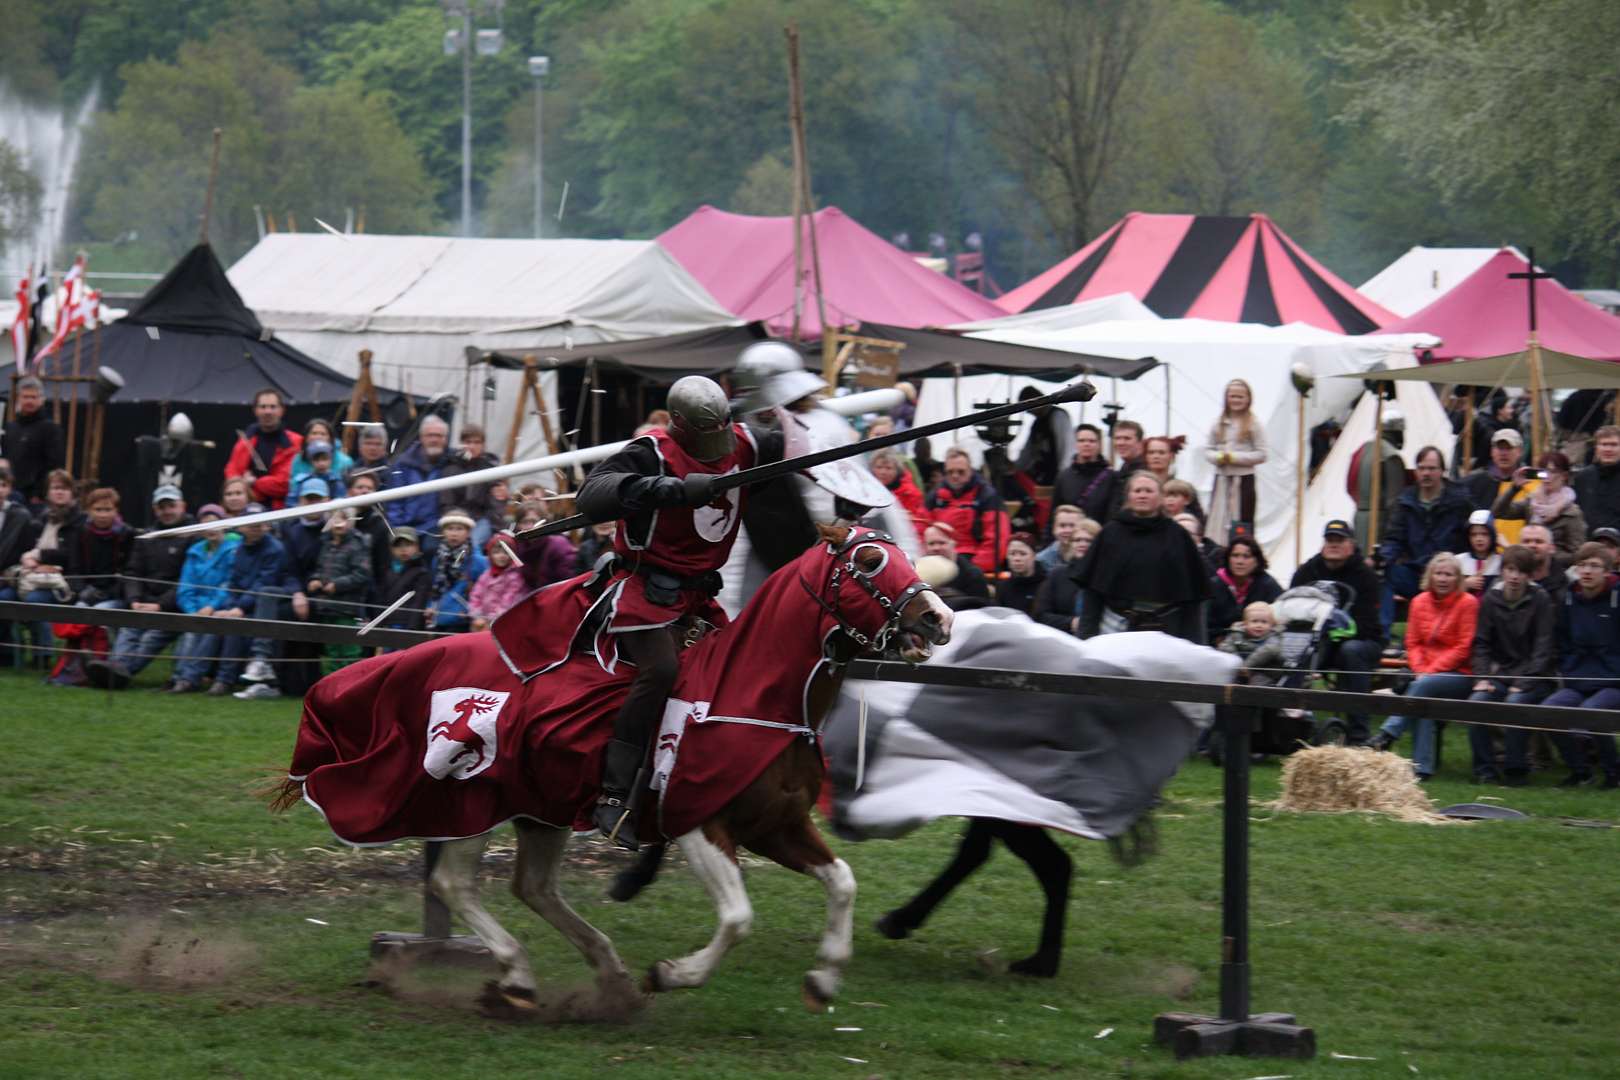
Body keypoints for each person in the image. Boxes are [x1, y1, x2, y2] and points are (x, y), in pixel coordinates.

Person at [555, 375, 783, 848]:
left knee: (729, 675)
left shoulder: (744, 443)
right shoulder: (650, 450)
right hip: (644, 587)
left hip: (701, 594)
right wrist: (670, 489)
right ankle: (614, 796)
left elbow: (793, 448)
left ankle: (704, 782)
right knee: (660, 671)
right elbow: (591, 496)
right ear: (678, 423)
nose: (715, 441)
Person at [1368, 553, 1479, 780]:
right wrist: (1420, 669)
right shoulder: (1419, 602)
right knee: (1423, 700)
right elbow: (1412, 642)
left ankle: (1388, 734)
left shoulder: (1468, 603)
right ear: (1430, 576)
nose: (1443, 578)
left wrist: (1430, 671)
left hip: (1460, 674)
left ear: (1458, 578)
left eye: (1448, 574)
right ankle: (1421, 769)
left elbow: (1463, 648)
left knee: (1424, 687)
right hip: (1423, 676)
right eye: (1438, 573)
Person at [1072, 472, 1211, 643]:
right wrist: (1086, 639)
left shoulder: (1178, 536)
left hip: (1167, 632)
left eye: (1149, 491)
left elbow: (1193, 599)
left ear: (1160, 497)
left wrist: (1196, 646)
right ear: (1128, 496)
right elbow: (1093, 594)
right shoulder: (1111, 533)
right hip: (1116, 627)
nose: (1143, 495)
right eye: (1137, 491)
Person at [88, 485, 195, 689]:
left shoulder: (193, 536)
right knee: (129, 629)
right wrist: (135, 601)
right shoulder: (146, 536)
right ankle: (115, 668)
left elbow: (188, 582)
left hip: (175, 608)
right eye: (163, 507)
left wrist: (160, 606)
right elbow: (133, 572)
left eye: (172, 506)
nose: (168, 511)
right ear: (155, 509)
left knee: (151, 637)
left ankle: (118, 673)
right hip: (143, 603)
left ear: (183, 506)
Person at [1465, 545, 1556, 786]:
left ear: (1529, 575)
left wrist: (1526, 683)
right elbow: (1482, 644)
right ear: (1502, 571)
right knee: (1476, 703)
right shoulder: (1492, 599)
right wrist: (1482, 678)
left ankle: (1516, 771)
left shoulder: (1541, 599)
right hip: (1502, 675)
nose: (1515, 576)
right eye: (1510, 570)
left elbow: (1543, 648)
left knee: (1515, 704)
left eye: (1521, 571)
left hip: (1537, 678)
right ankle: (1485, 770)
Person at [1291, 519, 1384, 744]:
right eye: (1329, 540)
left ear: (1351, 546)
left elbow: (1365, 625)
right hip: (1317, 641)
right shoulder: (1307, 571)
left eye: (1340, 541)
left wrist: (1331, 631)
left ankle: (1359, 736)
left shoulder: (1366, 576)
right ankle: (1285, 726)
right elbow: (1292, 610)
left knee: (1351, 651)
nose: (1334, 545)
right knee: (1287, 646)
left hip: (1363, 642)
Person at [1542, 542, 1620, 788]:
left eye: (1594, 566)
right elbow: (1562, 639)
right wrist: (1568, 669)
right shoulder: (1569, 597)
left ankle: (1613, 772)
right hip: (1578, 678)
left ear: (1608, 571)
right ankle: (1582, 771)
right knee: (1547, 712)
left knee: (1591, 713)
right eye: (1582, 565)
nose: (1586, 571)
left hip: (1614, 682)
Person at [1376, 445, 1472, 637]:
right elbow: (1395, 538)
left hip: (1448, 575)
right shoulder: (1405, 501)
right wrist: (1383, 559)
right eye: (1421, 468)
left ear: (1442, 471)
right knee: (1382, 575)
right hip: (1415, 573)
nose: (1426, 473)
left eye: (1431, 468)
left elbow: (1470, 536)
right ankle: (1381, 637)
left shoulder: (1459, 499)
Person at [212, 508, 287, 698]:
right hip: (243, 604)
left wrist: (239, 607)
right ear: (243, 526)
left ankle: (225, 680)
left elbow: (264, 583)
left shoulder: (274, 548)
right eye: (252, 523)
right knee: (214, 623)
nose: (256, 527)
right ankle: (188, 677)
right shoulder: (241, 548)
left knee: (235, 624)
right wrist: (229, 607)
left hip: (262, 606)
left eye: (260, 523)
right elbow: (234, 583)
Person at [167, 505, 240, 694]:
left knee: (195, 634)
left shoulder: (234, 550)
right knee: (189, 632)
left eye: (215, 523)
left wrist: (211, 607)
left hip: (219, 608)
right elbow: (185, 587)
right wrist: (193, 611)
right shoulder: (194, 551)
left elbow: (228, 585)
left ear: (225, 524)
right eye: (205, 524)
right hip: (195, 609)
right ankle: (180, 678)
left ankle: (184, 679)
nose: (211, 528)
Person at [38, 486, 135, 609]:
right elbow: (75, 567)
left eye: (108, 510)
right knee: (80, 610)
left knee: (100, 611)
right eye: (98, 510)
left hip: (115, 595)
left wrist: (108, 593)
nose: (103, 515)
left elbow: (130, 572)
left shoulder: (126, 534)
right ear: (89, 510)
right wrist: (81, 591)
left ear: (116, 511)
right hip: (85, 593)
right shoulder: (81, 532)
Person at [307, 506, 373, 674]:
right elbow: (320, 568)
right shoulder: (326, 544)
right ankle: (332, 687)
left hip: (347, 608)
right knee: (332, 650)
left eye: (343, 518)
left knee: (349, 651)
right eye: (334, 518)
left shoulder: (359, 543)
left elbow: (362, 574)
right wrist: (314, 580)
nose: (338, 522)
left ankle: (352, 685)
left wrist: (337, 585)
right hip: (326, 607)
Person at [1493, 451, 1587, 566]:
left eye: (1552, 471)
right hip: (1528, 568)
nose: (1547, 476)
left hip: (1555, 572)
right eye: (1543, 471)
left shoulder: (1571, 513)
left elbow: (1578, 554)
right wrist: (1514, 488)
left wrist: (1545, 554)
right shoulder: (1532, 503)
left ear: (1564, 476)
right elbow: (1498, 512)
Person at [924, 448, 1010, 574]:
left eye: (960, 472)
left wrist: (974, 570)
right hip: (938, 558)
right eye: (950, 472)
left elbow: (997, 539)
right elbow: (920, 530)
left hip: (971, 559)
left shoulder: (987, 495)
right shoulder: (935, 496)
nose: (955, 476)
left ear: (970, 471)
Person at [1205, 378, 1267, 546]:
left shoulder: (1254, 424)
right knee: (1217, 519)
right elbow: (1208, 450)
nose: (1236, 400)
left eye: (1240, 397)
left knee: (1241, 522)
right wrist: (1218, 457)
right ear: (1226, 398)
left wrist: (1234, 457)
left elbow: (1262, 454)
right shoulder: (1218, 424)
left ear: (1248, 399)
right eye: (1233, 396)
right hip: (1222, 479)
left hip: (1243, 480)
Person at [225, 388, 302, 509]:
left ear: (281, 410)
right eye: (263, 406)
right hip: (247, 509)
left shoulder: (295, 442)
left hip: (282, 511)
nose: (268, 411)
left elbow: (285, 484)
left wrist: (253, 482)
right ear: (255, 410)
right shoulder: (245, 441)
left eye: (272, 406)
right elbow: (232, 478)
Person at [387, 415, 452, 549]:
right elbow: (395, 501)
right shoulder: (403, 463)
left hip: (435, 525)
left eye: (439, 436)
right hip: (406, 524)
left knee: (430, 548)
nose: (434, 440)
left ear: (446, 440)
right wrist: (396, 528)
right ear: (421, 437)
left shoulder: (453, 463)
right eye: (430, 435)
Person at [1, 375, 64, 503]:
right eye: (25, 397)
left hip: (34, 499)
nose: (29, 401)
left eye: (33, 397)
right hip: (10, 495)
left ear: (41, 399)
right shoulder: (11, 427)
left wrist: (40, 493)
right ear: (18, 398)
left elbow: (54, 464)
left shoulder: (49, 428)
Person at [1206, 537, 1283, 642]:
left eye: (1246, 556)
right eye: (1235, 556)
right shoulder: (1215, 585)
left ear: (1256, 561)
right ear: (1228, 559)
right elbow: (1207, 624)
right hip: (1221, 646)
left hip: (1261, 646)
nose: (1240, 562)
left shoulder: (1268, 586)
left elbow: (1278, 622)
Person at [1463, 428, 1533, 542]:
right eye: (1500, 448)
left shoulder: (1533, 483)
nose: (1504, 453)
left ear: (1520, 451)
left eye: (1509, 448)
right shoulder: (1471, 484)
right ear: (1492, 451)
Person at [440, 423, 503, 548]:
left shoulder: (491, 469)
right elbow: (446, 502)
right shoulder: (449, 470)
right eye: (468, 442)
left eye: (477, 442)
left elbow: (495, 505)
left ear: (483, 445)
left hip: (481, 520)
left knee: (472, 545)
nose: (472, 447)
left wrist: (498, 530)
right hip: (455, 520)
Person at [423, 509, 486, 631]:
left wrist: (471, 611)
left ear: (468, 532)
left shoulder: (477, 560)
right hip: (438, 616)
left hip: (463, 619)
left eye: (459, 529)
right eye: (450, 528)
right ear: (443, 532)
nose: (454, 533)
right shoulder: (438, 557)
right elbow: (434, 586)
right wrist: (430, 606)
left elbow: (486, 590)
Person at [1051, 423, 1115, 525]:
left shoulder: (1111, 477)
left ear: (1099, 444)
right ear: (1075, 444)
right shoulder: (1063, 477)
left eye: (1091, 441)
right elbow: (1054, 514)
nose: (1086, 444)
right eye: (1082, 441)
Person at [469, 533, 527, 632]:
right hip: (482, 625)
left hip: (503, 625)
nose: (501, 556)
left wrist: (490, 623)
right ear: (490, 554)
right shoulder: (486, 575)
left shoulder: (515, 577)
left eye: (506, 552)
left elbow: (508, 603)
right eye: (496, 552)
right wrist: (477, 617)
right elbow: (475, 595)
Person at [376, 528, 430, 634]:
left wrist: (412, 627)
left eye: (408, 545)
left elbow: (419, 601)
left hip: (408, 625)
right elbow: (381, 599)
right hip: (388, 624)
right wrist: (378, 624)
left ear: (417, 547)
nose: (403, 549)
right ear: (391, 549)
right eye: (398, 546)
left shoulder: (421, 571)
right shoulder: (387, 571)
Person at [1215, 600, 1285, 677]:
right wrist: (1238, 665)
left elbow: (1270, 649)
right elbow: (1225, 646)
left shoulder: (1274, 635)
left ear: (1272, 624)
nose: (1259, 625)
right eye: (1254, 621)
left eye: (1264, 622)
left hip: (1265, 673)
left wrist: (1247, 666)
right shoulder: (1237, 633)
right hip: (1237, 670)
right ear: (1245, 623)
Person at [1572, 424, 1620, 532]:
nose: (1608, 449)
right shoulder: (1584, 477)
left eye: (1614, 445)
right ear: (1596, 448)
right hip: (1589, 543)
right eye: (1604, 444)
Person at [922, 522, 990, 599]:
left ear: (954, 544)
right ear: (925, 546)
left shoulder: (972, 575)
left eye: (942, 543)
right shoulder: (919, 572)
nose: (936, 548)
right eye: (931, 544)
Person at [289, 419, 353, 494]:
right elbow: (293, 485)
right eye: (314, 433)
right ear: (306, 437)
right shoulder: (298, 458)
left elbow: (347, 487)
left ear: (330, 437)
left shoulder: (345, 461)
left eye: (323, 434)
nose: (318, 437)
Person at [994, 532, 1045, 615]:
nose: (1017, 559)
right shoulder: (1003, 588)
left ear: (1034, 556)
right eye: (1012, 554)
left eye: (1023, 554)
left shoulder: (1047, 584)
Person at [870, 447, 926, 523]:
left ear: (897, 470)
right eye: (879, 467)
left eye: (888, 468)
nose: (883, 472)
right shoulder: (867, 491)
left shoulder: (910, 493)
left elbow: (919, 522)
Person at [1455, 509, 1502, 595]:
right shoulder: (1458, 560)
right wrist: (1464, 584)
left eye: (1485, 534)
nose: (1479, 539)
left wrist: (1506, 545)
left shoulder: (1500, 561)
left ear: (1493, 535)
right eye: (1474, 534)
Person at [1521, 522, 1568, 602]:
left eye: (1538, 541)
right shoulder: (1503, 584)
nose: (1532, 545)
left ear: (1551, 548)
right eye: (1526, 541)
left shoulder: (1568, 585)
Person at [1036, 504, 1086, 572]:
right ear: (1053, 529)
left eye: (1072, 526)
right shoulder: (1041, 560)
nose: (1067, 531)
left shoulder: (1091, 557)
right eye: (1062, 526)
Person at [345, 424, 391, 490]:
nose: (372, 448)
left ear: (385, 448)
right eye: (368, 443)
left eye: (378, 444)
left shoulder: (390, 474)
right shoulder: (349, 471)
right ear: (359, 446)